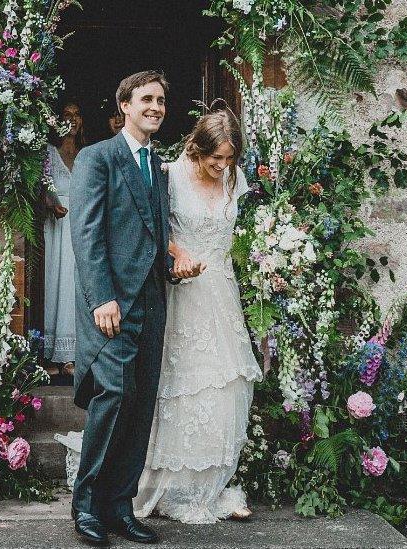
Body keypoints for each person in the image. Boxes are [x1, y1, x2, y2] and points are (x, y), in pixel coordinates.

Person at [68, 70, 203, 546]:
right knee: (111, 400)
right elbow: (86, 234)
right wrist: (102, 296)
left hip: (152, 299)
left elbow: (154, 229)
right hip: (111, 304)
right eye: (146, 99)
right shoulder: (96, 158)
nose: (156, 107)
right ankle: (86, 507)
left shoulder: (157, 163)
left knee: (140, 405)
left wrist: (177, 259)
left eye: (161, 100)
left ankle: (120, 507)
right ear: (124, 104)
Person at [133, 104, 262, 524]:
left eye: (228, 159)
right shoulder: (170, 175)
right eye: (214, 158)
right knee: (182, 386)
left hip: (221, 291)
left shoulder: (234, 178)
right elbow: (153, 227)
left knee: (226, 386)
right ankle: (171, 488)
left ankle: (209, 486)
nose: (221, 166)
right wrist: (178, 252)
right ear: (196, 148)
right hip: (182, 291)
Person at [43, 101, 84, 378]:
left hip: (79, 222)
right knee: (54, 284)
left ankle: (70, 355)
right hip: (56, 224)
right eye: (66, 114)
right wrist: (51, 203)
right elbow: (40, 186)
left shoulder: (87, 153)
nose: (71, 119)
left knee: (74, 285)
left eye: (76, 114)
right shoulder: (48, 153)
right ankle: (49, 354)